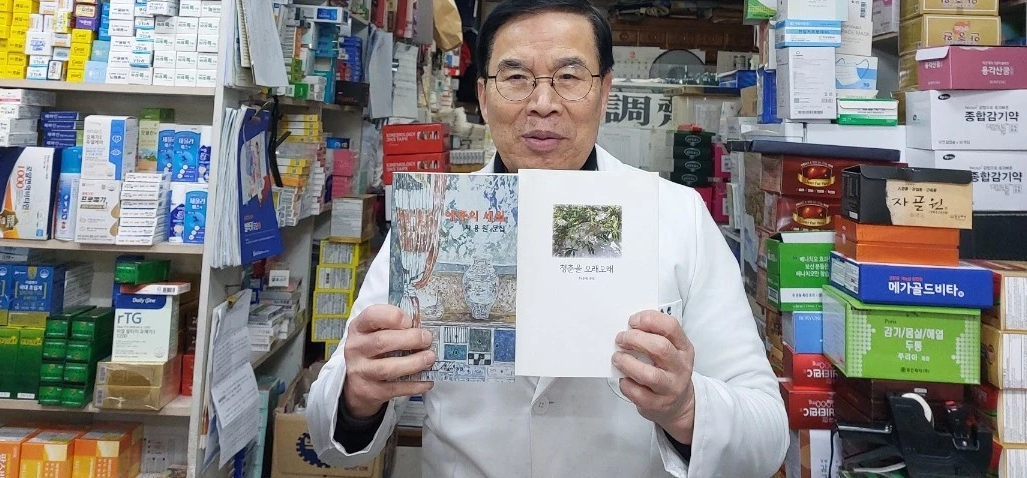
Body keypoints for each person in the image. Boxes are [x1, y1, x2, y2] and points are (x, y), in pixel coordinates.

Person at [306, 0, 789, 475]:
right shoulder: (436, 219)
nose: (542, 103)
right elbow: (330, 436)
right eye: (516, 77)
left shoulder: (677, 216)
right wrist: (357, 395)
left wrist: (685, 408)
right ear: (483, 95)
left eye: (569, 77)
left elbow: (766, 436)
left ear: (605, 92)